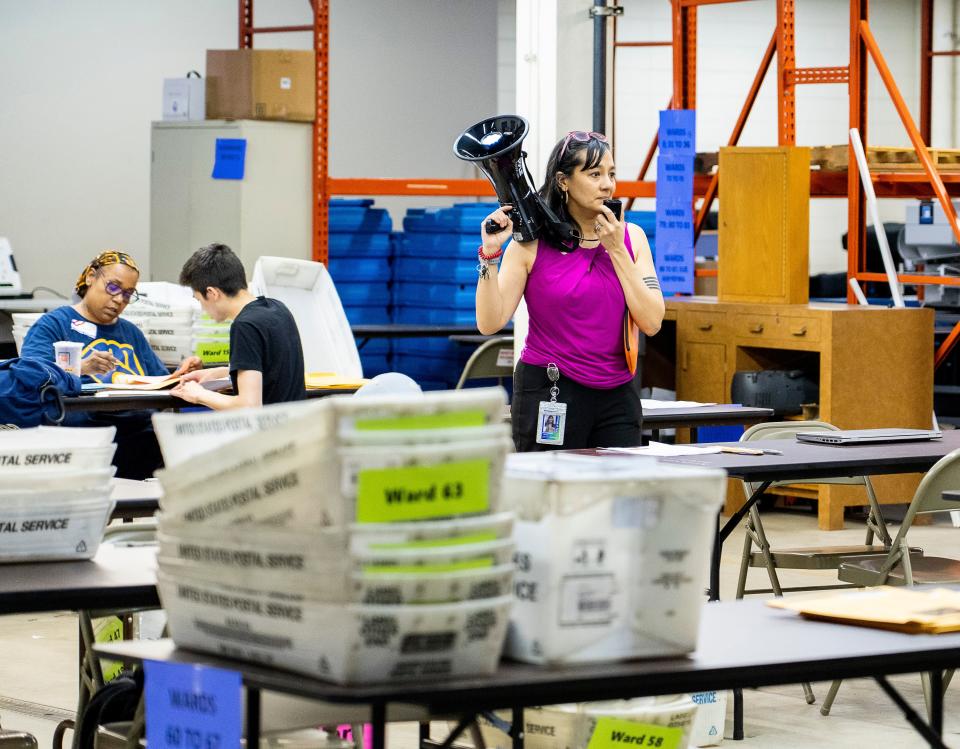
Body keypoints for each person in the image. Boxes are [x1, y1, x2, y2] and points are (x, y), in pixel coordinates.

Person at [475, 130, 665, 451]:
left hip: (618, 395)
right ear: (564, 181)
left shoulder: (632, 238)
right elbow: (490, 322)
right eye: (594, 174)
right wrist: (490, 255)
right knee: (551, 497)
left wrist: (617, 249)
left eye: (611, 174)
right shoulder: (531, 244)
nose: (607, 184)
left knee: (616, 498)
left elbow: (652, 321)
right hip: (551, 388)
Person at [20, 250, 202, 478]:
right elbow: (29, 377)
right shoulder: (54, 325)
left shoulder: (130, 332)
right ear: (91, 278)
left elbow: (159, 381)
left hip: (138, 434)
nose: (119, 299)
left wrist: (182, 374)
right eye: (113, 287)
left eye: (128, 294)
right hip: (84, 436)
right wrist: (81, 367)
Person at [172, 243, 306, 409]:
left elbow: (248, 406)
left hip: (270, 432)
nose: (202, 308)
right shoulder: (278, 309)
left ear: (212, 293)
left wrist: (198, 394)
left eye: (199, 299)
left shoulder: (245, 326)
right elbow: (269, 370)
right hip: (295, 427)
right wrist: (216, 373)